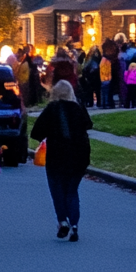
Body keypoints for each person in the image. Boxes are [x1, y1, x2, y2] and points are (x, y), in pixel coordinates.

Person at [31, 80, 92, 242]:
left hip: (57, 156)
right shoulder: (78, 108)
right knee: (72, 191)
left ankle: (62, 221)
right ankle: (74, 225)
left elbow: (36, 132)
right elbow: (88, 124)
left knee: (57, 190)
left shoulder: (52, 109)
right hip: (79, 155)